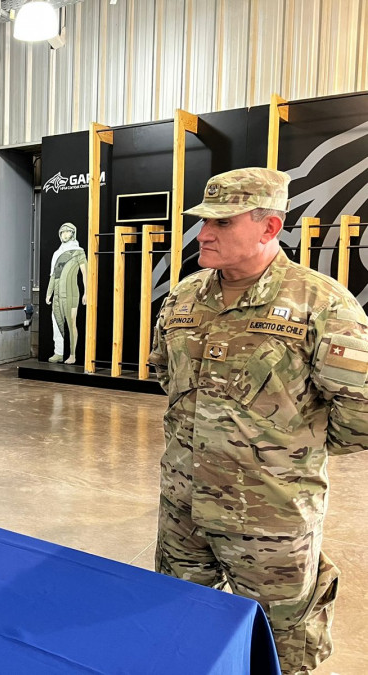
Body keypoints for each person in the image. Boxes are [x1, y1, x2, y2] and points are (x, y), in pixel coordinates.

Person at [149, 167, 368, 674]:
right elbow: (166, 376)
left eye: (222, 224)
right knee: (178, 629)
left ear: (269, 227)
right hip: (183, 508)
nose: (204, 234)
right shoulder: (185, 296)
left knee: (278, 649)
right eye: (204, 222)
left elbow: (359, 416)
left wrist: (282, 451)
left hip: (271, 521)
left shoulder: (323, 304)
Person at [45, 222, 87, 364]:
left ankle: (73, 355)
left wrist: (86, 292)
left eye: (67, 232)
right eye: (62, 232)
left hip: (70, 293)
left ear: (73, 233)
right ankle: (59, 352)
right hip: (57, 294)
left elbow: (85, 273)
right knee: (56, 323)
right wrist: (48, 293)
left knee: (71, 323)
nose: (64, 234)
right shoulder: (56, 253)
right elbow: (53, 275)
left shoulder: (78, 251)